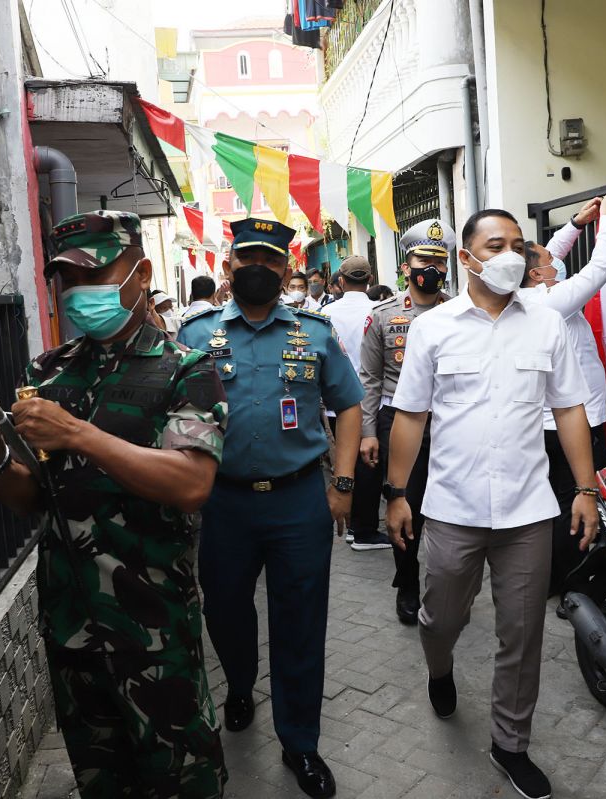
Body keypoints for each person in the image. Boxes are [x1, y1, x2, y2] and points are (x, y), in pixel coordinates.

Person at [0, 211, 229, 798]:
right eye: (68, 280)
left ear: (141, 273)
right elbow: (29, 497)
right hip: (71, 623)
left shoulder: (186, 369)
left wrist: (78, 435)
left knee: (181, 778)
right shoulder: (47, 374)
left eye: (97, 275)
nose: (80, 293)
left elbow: (190, 483)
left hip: (152, 623)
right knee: (101, 778)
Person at [384, 209, 600, 799]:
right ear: (466, 258)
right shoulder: (434, 328)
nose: (510, 254)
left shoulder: (546, 324)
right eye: (494, 244)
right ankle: (440, 667)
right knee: (442, 617)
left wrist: (585, 488)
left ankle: (510, 744)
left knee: (522, 633)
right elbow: (411, 416)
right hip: (452, 508)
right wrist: (397, 494)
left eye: (516, 244)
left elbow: (569, 410)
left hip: (528, 511)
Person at [178, 218, 363, 799]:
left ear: (286, 271)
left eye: (271, 260)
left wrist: (344, 483)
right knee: (226, 613)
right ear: (230, 267)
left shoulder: (315, 332)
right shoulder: (195, 333)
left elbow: (349, 407)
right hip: (224, 502)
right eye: (247, 258)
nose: (258, 268)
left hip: (298, 501)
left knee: (300, 623)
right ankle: (238, 683)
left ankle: (300, 743)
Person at [518, 195, 606, 596]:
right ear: (535, 274)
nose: (557, 263)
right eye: (548, 262)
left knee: (552, 503)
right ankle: (570, 584)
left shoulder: (528, 295)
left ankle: (549, 579)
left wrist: (577, 225)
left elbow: (547, 255)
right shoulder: (551, 301)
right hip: (571, 424)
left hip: (545, 422)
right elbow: (602, 266)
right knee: (574, 503)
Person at [358, 218, 452, 623]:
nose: (431, 268)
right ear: (405, 266)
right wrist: (367, 433)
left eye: (439, 261)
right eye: (422, 259)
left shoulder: (460, 311)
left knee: (449, 509)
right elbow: (370, 377)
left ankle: (447, 586)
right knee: (405, 504)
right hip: (397, 420)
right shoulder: (383, 316)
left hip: (450, 420)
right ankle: (408, 583)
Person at [321, 256, 387, 552]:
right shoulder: (380, 309)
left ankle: (352, 527)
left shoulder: (326, 313)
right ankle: (363, 530)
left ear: (341, 282)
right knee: (369, 465)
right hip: (374, 399)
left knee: (346, 461)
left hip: (338, 400)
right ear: (370, 279)